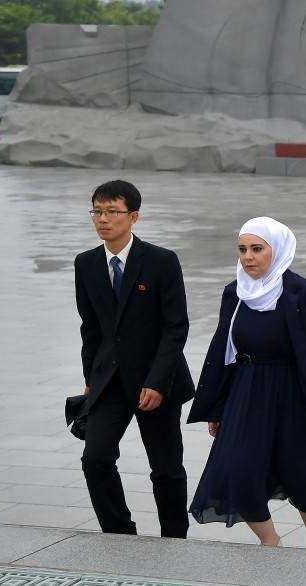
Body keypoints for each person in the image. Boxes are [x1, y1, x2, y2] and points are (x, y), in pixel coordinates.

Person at [188, 217, 306, 548]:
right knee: (239, 471)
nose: (248, 257)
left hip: (292, 393)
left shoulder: (302, 292)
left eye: (257, 249)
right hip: (246, 392)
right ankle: (270, 540)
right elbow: (223, 349)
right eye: (243, 249)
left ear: (278, 250)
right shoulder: (234, 292)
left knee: (301, 476)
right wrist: (217, 407)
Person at [75, 179, 194, 537]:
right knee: (95, 458)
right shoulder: (86, 263)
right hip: (108, 381)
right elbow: (90, 329)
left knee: (166, 468)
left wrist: (157, 382)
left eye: (112, 211)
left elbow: (176, 327)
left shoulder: (160, 261)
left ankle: (175, 538)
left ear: (133, 217)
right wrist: (89, 379)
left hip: (157, 381)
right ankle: (120, 534)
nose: (102, 219)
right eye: (97, 211)